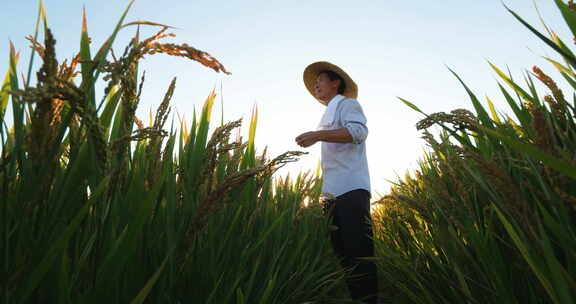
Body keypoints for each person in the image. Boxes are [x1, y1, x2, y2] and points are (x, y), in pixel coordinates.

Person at [295, 61, 378, 304]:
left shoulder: (348, 104)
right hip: (332, 194)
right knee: (343, 256)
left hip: (352, 190)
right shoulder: (327, 113)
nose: (316, 84)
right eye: (315, 82)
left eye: (320, 79)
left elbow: (358, 133)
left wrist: (316, 135)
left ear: (335, 83)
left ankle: (369, 300)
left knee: (359, 253)